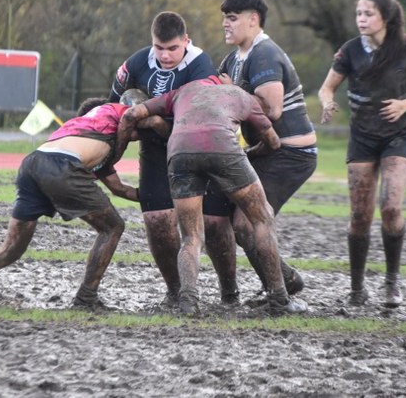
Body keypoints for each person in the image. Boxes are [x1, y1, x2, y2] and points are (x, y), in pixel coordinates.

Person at [0, 90, 159, 310]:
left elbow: (120, 189)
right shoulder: (117, 111)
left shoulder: (84, 135)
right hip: (62, 166)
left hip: (34, 162)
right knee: (113, 227)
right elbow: (142, 120)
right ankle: (85, 298)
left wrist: (157, 196)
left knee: (12, 248)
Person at [118, 76, 308, 316]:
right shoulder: (241, 96)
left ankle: (188, 301)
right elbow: (273, 142)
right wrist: (249, 153)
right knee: (262, 218)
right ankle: (280, 300)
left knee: (191, 236)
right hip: (223, 149)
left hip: (179, 152)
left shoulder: (182, 90)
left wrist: (115, 153)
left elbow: (131, 115)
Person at [108, 11, 239, 308]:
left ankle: (229, 293)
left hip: (201, 147)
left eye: (173, 48)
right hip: (156, 150)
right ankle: (176, 291)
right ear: (151, 43)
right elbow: (112, 106)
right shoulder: (136, 64)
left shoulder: (200, 67)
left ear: (186, 41)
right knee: (156, 221)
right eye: (159, 48)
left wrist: (154, 122)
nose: (166, 56)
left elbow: (196, 123)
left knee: (215, 222)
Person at [318, 0, 406, 308]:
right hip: (363, 137)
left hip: (400, 135)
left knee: (391, 206)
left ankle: (392, 283)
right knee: (359, 215)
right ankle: (357, 288)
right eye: (358, 14)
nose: (361, 19)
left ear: (386, 17)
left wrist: (405, 103)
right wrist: (327, 103)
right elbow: (327, 87)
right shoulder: (350, 50)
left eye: (368, 13)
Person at [218, 0, 317, 304]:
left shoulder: (264, 53)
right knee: (237, 223)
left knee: (246, 223)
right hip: (265, 151)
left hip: (291, 153)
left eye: (232, 18)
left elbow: (271, 108)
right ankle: (282, 281)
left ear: (253, 19)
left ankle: (281, 290)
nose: (226, 24)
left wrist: (233, 92)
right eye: (225, 18)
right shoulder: (234, 57)